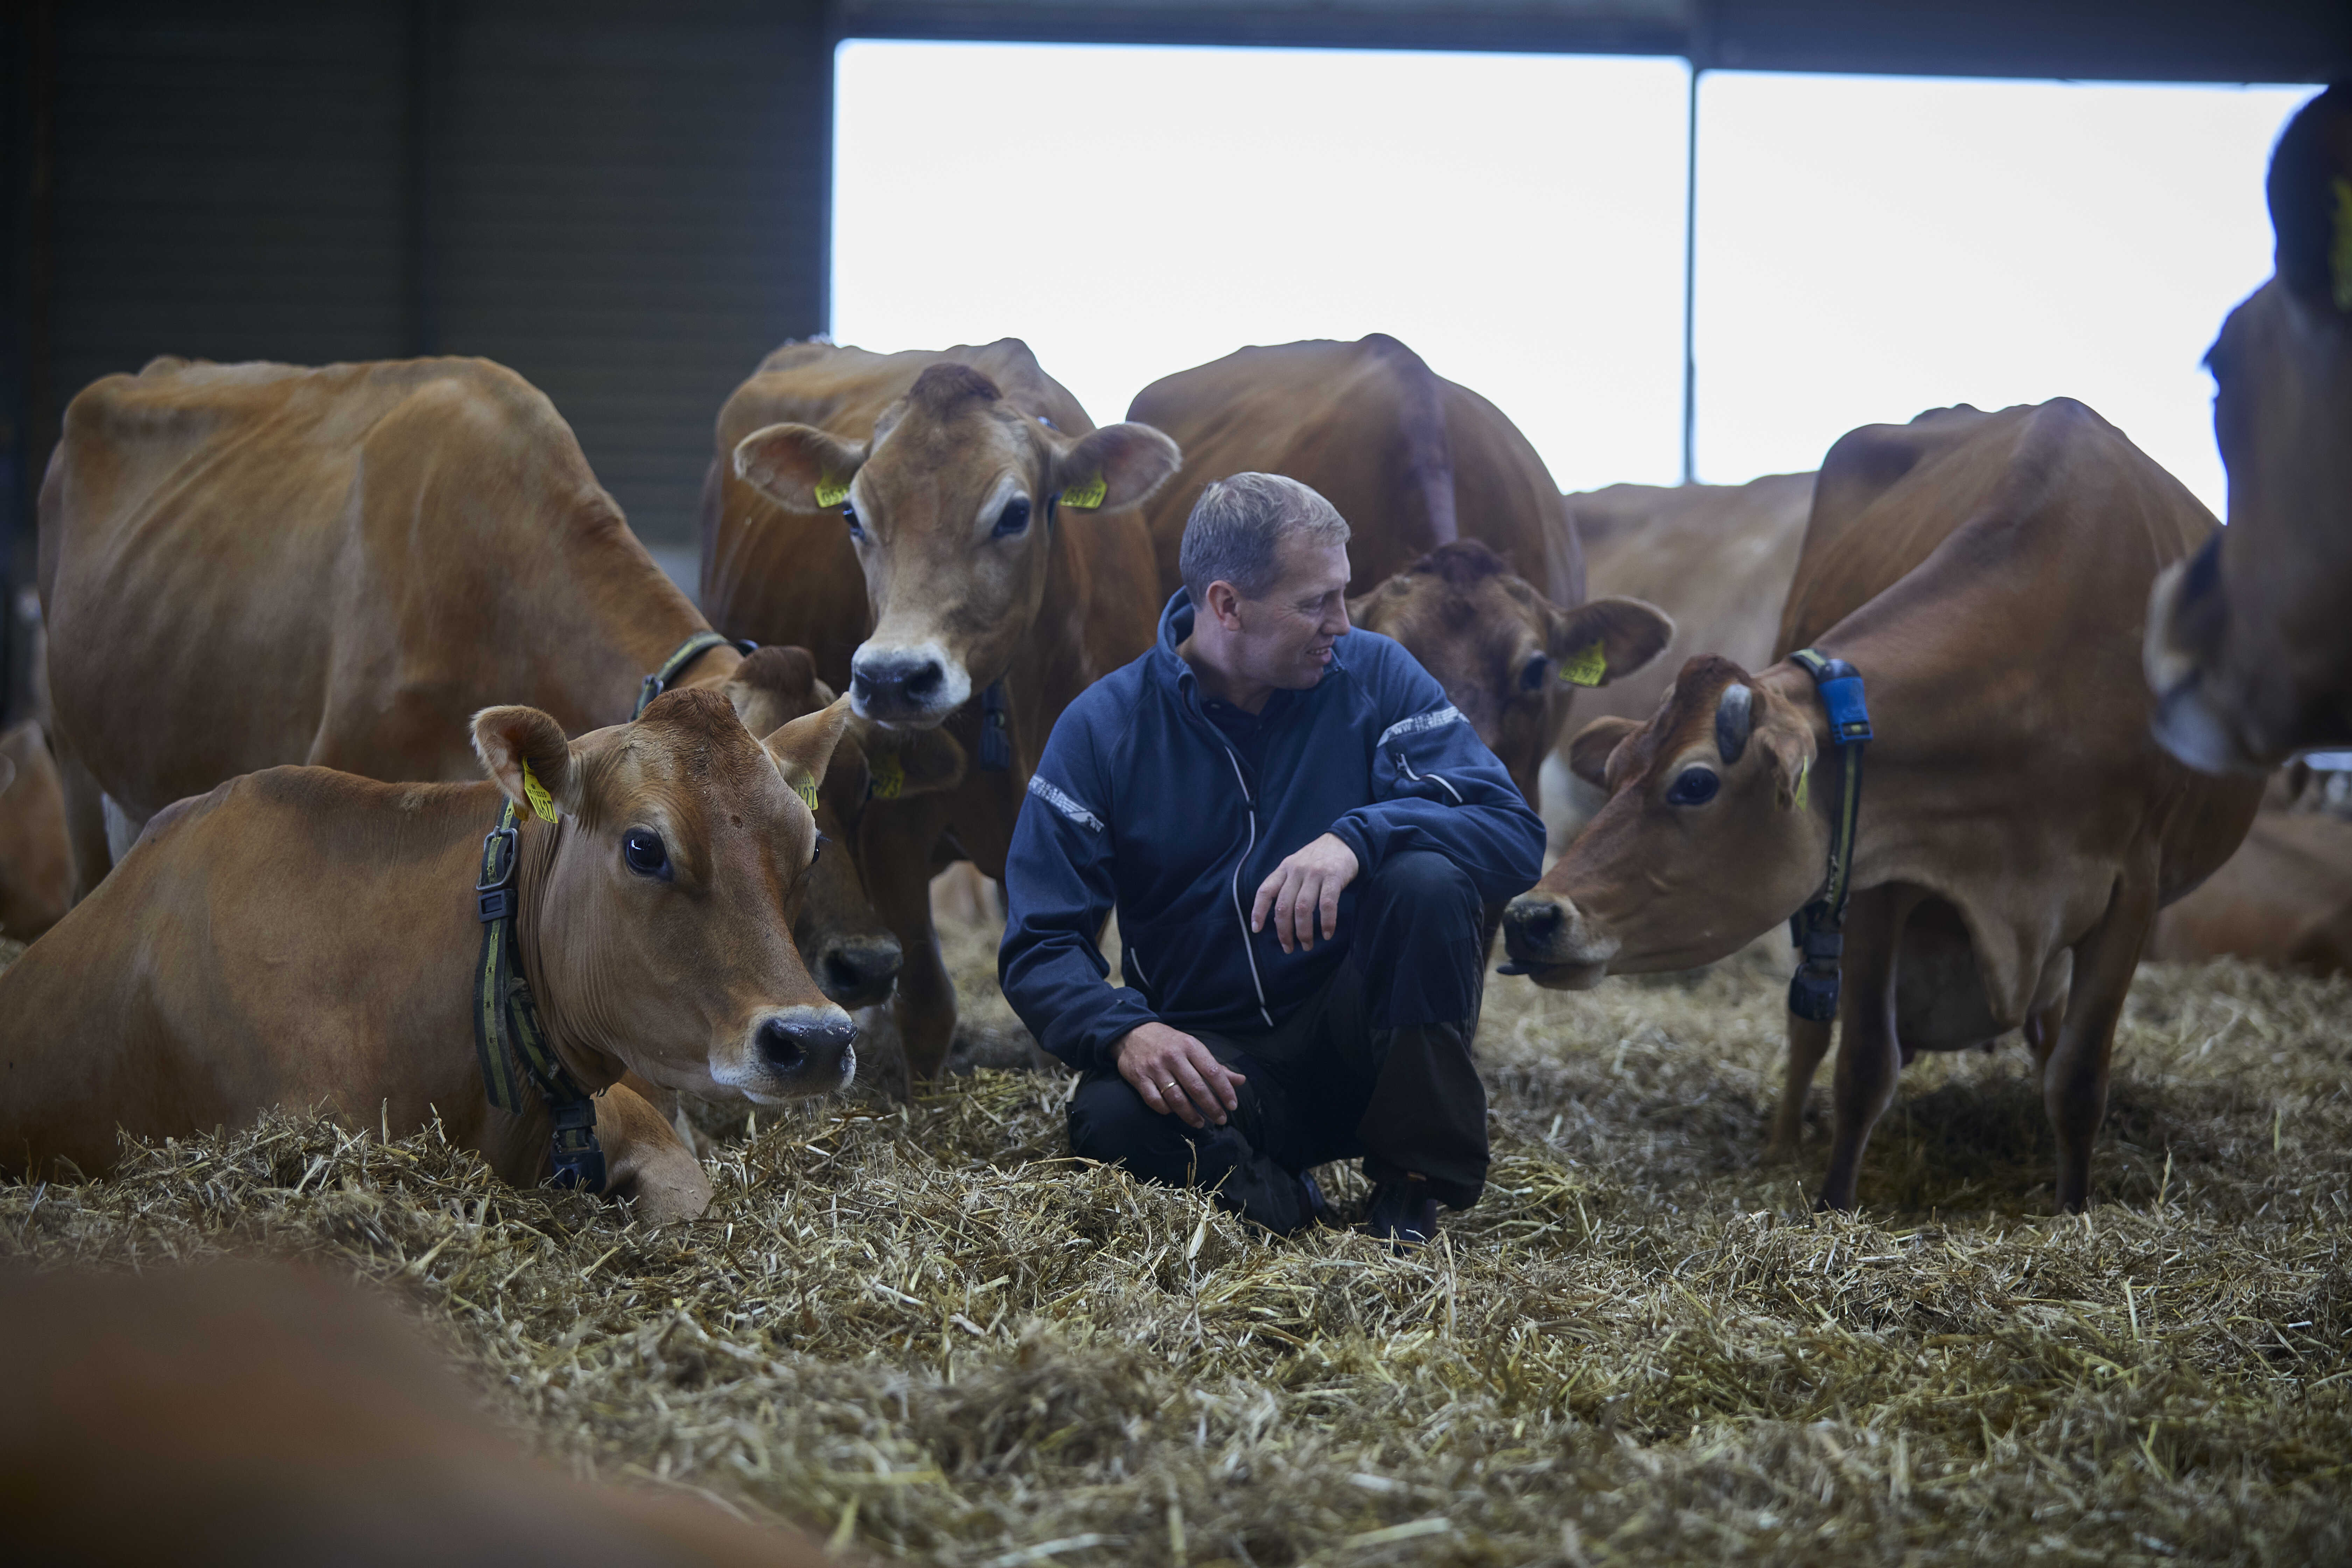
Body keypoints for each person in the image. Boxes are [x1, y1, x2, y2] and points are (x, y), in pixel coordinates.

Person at [998, 472, 1546, 1244]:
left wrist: (1360, 836)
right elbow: (1040, 945)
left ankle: (1410, 1185)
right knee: (1107, 1115)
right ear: (1226, 605)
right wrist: (1126, 1031)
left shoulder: (1377, 677)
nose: (1342, 623)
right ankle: (1289, 1207)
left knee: (1428, 878)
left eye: (1343, 593)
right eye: (1315, 601)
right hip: (1220, 1065)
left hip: (1365, 1038)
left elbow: (1513, 832)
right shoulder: (1103, 728)